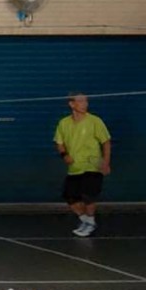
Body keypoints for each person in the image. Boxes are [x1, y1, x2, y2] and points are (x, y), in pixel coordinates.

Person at [53, 93, 111, 237]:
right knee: (70, 197)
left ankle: (90, 222)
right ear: (71, 104)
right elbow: (59, 142)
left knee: (88, 195)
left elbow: (106, 142)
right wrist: (64, 155)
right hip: (75, 167)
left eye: (86, 101)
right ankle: (86, 220)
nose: (85, 104)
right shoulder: (64, 123)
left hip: (92, 164)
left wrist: (105, 162)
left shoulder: (95, 121)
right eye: (81, 101)